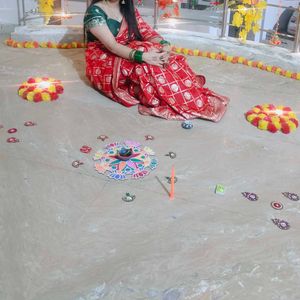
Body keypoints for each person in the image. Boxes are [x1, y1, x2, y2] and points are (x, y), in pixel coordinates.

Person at [84, 0, 229, 121]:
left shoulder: (127, 8)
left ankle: (187, 96)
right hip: (103, 60)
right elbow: (113, 46)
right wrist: (144, 57)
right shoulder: (95, 12)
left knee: (166, 57)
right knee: (145, 64)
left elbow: (146, 32)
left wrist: (164, 46)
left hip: (128, 50)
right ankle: (170, 97)